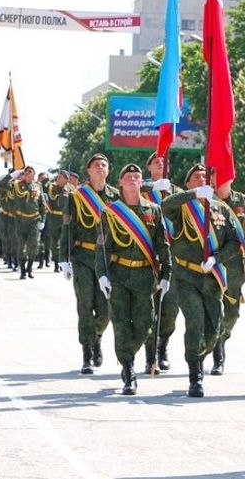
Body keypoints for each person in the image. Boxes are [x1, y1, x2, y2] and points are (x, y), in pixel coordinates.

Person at [161, 163, 241, 398]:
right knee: (194, 322)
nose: (201, 179)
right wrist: (194, 195)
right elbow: (165, 206)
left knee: (214, 329)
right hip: (186, 276)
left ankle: (200, 356)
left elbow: (235, 242)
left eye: (205, 177)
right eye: (196, 177)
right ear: (188, 184)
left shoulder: (221, 209)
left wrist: (217, 259)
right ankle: (195, 377)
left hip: (212, 277)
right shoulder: (183, 207)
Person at [95, 163, 171, 394]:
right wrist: (102, 275)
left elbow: (162, 244)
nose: (132, 179)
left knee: (145, 323)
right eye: (127, 176)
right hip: (118, 274)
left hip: (144, 275)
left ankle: (127, 356)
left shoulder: (154, 210)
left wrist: (166, 274)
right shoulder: (110, 212)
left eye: (137, 177)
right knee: (120, 323)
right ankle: (129, 371)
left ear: (142, 182)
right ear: (120, 182)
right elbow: (102, 247)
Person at [60, 154, 120, 374]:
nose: (101, 168)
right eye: (96, 165)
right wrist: (63, 258)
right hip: (83, 256)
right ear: (88, 170)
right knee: (85, 304)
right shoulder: (76, 196)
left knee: (105, 309)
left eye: (104, 165)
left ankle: (96, 337)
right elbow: (67, 227)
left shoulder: (116, 196)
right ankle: (87, 352)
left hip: (108, 259)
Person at [140, 152, 184, 373]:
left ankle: (162, 347)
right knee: (150, 310)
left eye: (164, 161)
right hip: (146, 257)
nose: (161, 163)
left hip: (172, 258)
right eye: (156, 161)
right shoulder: (140, 190)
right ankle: (150, 357)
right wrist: (152, 187)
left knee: (169, 310)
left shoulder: (177, 192)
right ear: (149, 167)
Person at [211, 179, 245, 376]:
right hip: (213, 265)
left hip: (235, 267)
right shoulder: (206, 199)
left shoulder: (241, 199)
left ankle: (221, 338)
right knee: (212, 310)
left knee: (232, 313)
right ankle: (217, 354)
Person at [0, 166, 46, 279]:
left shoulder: (38, 186)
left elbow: (42, 203)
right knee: (20, 245)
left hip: (34, 220)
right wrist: (11, 175)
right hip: (20, 220)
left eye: (30, 172)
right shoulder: (15, 185)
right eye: (25, 172)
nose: (28, 174)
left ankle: (30, 268)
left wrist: (43, 219)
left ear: (33, 174)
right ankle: (22, 270)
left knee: (34, 245)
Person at [45, 171, 74, 273]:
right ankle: (57, 263)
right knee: (54, 241)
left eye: (60, 177)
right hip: (54, 217)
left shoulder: (71, 189)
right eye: (57, 177)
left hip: (66, 217)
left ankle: (66, 261)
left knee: (66, 240)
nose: (57, 179)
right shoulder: (52, 187)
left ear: (66, 179)